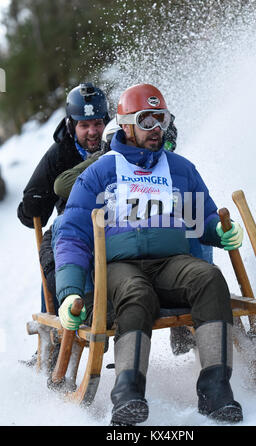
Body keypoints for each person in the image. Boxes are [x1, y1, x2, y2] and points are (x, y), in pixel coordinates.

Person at [54, 83, 244, 425]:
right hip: (119, 266)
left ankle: (216, 390)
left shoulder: (180, 168)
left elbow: (204, 216)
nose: (156, 128)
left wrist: (220, 230)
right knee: (135, 293)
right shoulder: (100, 172)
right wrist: (69, 292)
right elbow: (72, 233)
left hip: (170, 262)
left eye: (162, 119)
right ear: (126, 124)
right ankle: (127, 393)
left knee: (208, 278)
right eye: (146, 120)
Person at [17, 82, 111, 314]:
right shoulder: (60, 153)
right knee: (56, 259)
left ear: (107, 121)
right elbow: (29, 212)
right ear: (71, 125)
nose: (92, 132)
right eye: (84, 125)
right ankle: (55, 329)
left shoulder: (118, 141)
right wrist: (34, 203)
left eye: (98, 123)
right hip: (75, 226)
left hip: (115, 222)